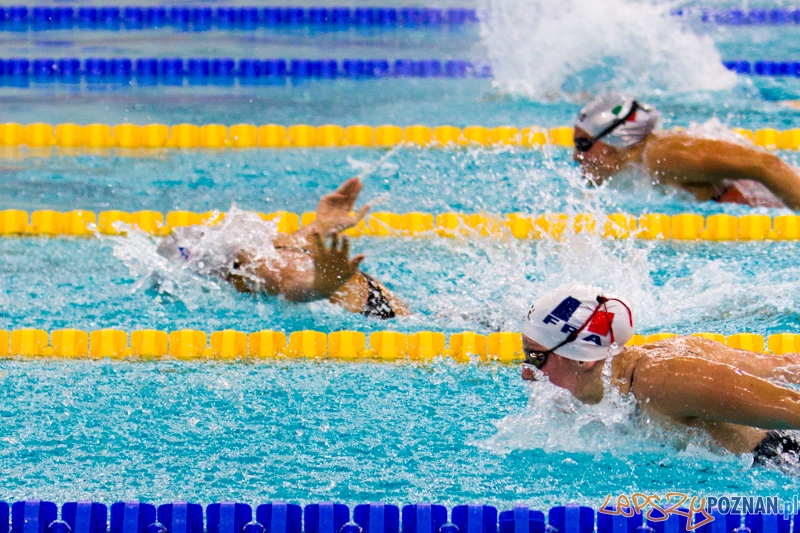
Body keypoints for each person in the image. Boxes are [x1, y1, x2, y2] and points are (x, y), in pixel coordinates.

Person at [520, 282, 800, 465]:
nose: (527, 373)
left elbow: (791, 405)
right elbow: (786, 366)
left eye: (536, 356)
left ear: (584, 360)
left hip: (782, 461)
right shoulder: (624, 381)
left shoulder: (665, 381)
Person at [158, 177, 410, 318]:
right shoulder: (258, 249)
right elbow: (291, 252)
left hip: (376, 315)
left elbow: (292, 283)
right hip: (381, 306)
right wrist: (320, 225)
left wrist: (322, 284)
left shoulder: (254, 269)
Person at [572, 93, 800, 208]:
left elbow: (767, 165)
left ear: (615, 139)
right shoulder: (640, 165)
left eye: (584, 145)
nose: (576, 157)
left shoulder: (664, 156)